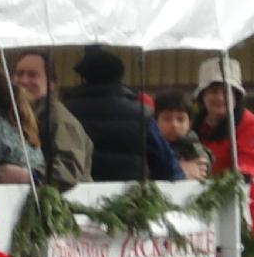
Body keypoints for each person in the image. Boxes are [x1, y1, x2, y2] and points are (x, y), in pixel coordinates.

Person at [61, 45, 182, 183]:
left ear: (84, 78)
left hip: (78, 197)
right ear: (120, 76)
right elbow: (167, 167)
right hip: (131, 199)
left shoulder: (66, 112)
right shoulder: (141, 113)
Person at [9, 49, 92, 189]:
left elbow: (69, 170)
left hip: (60, 205)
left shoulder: (59, 119)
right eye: (19, 74)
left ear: (51, 83)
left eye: (32, 75)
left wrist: (28, 177)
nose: (23, 80)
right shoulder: (16, 115)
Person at [194, 56, 254, 178]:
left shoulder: (251, 125)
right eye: (213, 91)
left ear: (236, 96)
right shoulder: (194, 126)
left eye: (226, 92)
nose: (220, 98)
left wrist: (239, 176)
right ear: (202, 96)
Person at [153, 88, 212, 181]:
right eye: (167, 119)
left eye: (180, 119)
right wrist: (178, 169)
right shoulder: (148, 147)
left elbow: (204, 166)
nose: (174, 125)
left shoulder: (194, 147)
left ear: (190, 123)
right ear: (155, 121)